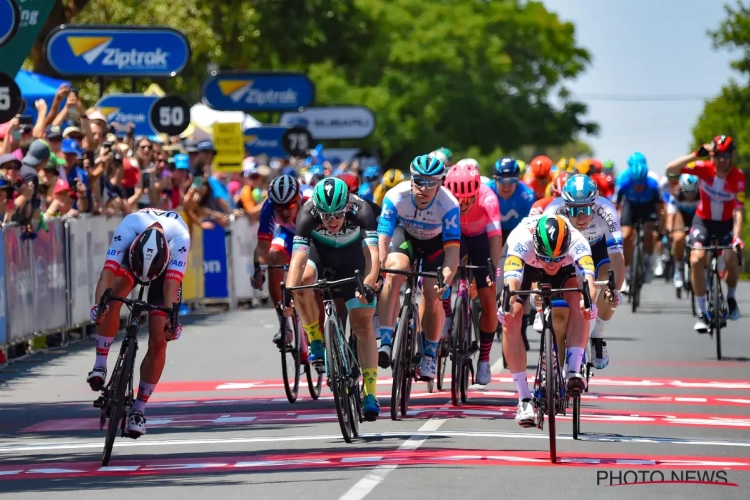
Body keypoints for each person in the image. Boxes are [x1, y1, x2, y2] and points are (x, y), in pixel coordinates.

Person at [283, 177, 381, 419]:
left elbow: (373, 256)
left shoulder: (363, 210)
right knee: (301, 282)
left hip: (354, 261)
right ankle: (315, 337)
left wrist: (368, 285)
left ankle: (370, 393)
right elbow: (298, 259)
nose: (332, 221)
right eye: (326, 216)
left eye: (337, 214)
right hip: (322, 256)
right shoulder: (307, 213)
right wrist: (289, 290)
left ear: (346, 206)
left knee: (363, 324)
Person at [87, 209, 190, 437]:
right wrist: (98, 307)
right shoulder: (129, 226)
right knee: (112, 296)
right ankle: (100, 364)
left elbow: (170, 289)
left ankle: (139, 410)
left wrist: (172, 324)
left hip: (162, 272)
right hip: (134, 263)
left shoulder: (180, 237)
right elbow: (106, 274)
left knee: (159, 338)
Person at [497, 214, 597, 427]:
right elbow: (512, 283)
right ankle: (524, 399)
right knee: (511, 317)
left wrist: (589, 302)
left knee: (581, 301)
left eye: (557, 257)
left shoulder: (578, 241)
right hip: (528, 267)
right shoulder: (521, 240)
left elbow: (588, 279)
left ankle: (573, 369)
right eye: (547, 258)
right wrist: (506, 304)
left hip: (567, 270)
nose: (551, 264)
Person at [377, 154, 460, 380]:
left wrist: (447, 277)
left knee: (433, 292)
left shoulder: (449, 204)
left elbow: (452, 252)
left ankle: (430, 353)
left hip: (436, 244)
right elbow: (382, 240)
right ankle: (385, 340)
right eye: (419, 181)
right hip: (406, 238)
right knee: (394, 272)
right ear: (411, 180)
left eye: (431, 182)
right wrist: (380, 269)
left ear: (440, 182)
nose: (424, 187)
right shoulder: (395, 196)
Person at [665, 135, 745, 331]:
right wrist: (694, 154)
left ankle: (731, 299)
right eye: (717, 155)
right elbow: (670, 170)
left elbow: (739, 210)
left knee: (732, 257)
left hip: (726, 224)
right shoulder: (702, 167)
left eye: (726, 155)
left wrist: (737, 235)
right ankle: (702, 312)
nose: (722, 160)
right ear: (712, 156)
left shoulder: (739, 177)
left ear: (732, 156)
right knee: (695, 259)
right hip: (703, 222)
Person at [545, 174, 624, 369]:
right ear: (565, 205)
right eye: (574, 210)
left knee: (608, 283)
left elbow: (617, 257)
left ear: (595, 204)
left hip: (598, 249)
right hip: (566, 250)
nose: (580, 217)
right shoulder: (553, 210)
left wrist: (615, 290)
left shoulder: (606, 210)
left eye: (586, 210)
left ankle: (597, 334)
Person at [443, 161, 502, 384]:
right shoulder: (444, 197)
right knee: (444, 275)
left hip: (480, 240)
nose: (463, 203)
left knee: (488, 298)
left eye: (468, 198)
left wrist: (493, 270)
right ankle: (448, 314)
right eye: (458, 199)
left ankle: (484, 360)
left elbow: (495, 238)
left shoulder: (488, 198)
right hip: (455, 236)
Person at [252, 175, 303, 345]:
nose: (285, 212)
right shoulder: (268, 208)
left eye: (289, 206)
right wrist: (259, 270)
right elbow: (262, 247)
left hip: (312, 237)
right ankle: (284, 324)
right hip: (289, 236)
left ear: (298, 199)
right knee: (274, 257)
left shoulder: (312, 202)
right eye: (279, 208)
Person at [614, 153, 662, 291]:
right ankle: (626, 273)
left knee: (649, 230)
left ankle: (648, 262)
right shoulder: (623, 181)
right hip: (631, 206)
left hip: (648, 207)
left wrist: (661, 228)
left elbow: (660, 209)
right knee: (626, 236)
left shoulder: (653, 184)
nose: (639, 187)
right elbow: (616, 206)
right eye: (636, 183)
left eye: (641, 183)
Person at [665, 174, 700, 289]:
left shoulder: (702, 195)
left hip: (696, 216)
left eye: (693, 192)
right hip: (681, 216)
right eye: (687, 192)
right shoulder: (676, 195)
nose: (690, 195)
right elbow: (671, 216)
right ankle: (679, 269)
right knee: (678, 237)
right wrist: (669, 230)